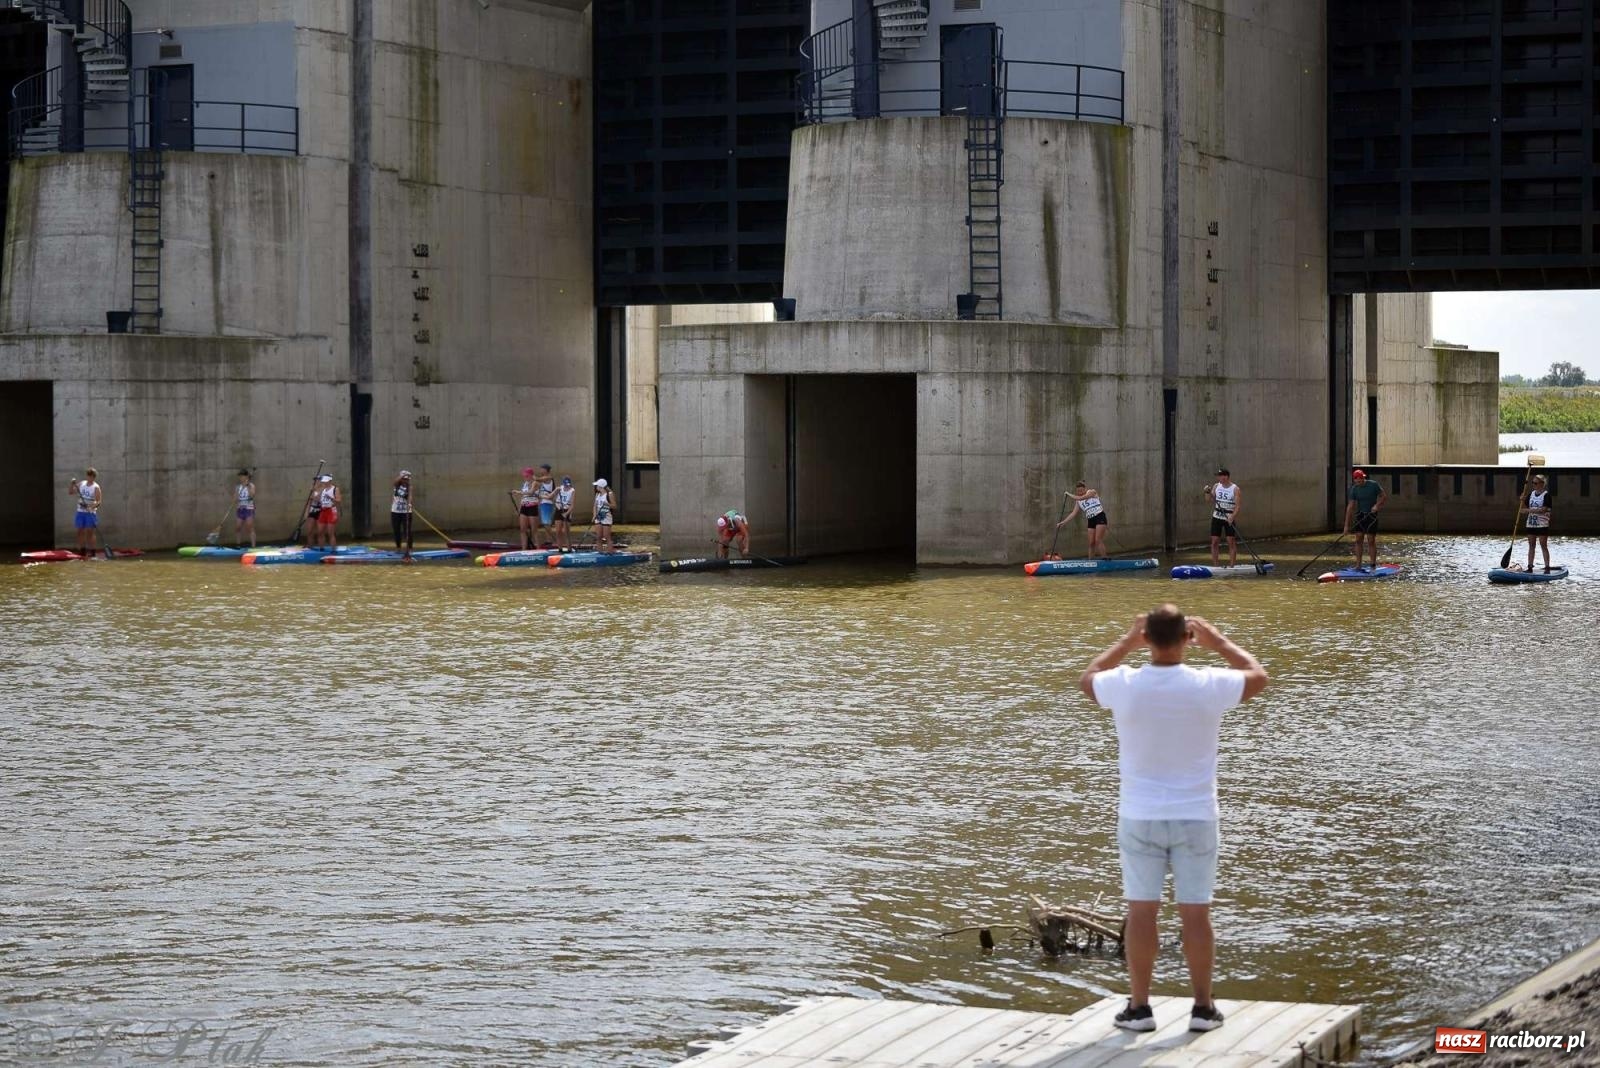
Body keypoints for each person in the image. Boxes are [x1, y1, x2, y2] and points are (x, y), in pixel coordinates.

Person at [1079, 605, 1269, 1035]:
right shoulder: (1209, 684)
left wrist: (1126, 642)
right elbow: (1258, 675)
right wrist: (1219, 642)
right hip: (1196, 815)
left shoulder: (1124, 684)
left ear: (1147, 638)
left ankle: (1139, 1009)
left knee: (1141, 911)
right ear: (1188, 638)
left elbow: (1088, 678)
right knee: (1196, 913)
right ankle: (1202, 1008)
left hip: (1140, 814)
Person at [1341, 468, 1386, 572]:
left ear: (1363, 478)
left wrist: (1377, 505)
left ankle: (1372, 565)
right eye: (1357, 480)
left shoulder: (1373, 485)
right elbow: (1350, 507)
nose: (1359, 481)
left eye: (1360, 479)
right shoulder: (1354, 489)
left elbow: (1383, 496)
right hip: (1360, 516)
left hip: (1371, 516)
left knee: (1371, 540)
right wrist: (1346, 526)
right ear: (1354, 480)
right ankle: (1358, 565)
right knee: (1358, 539)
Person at [1056, 482, 1109, 560]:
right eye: (1078, 491)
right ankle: (1090, 561)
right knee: (1091, 542)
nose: (1080, 492)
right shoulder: (1078, 501)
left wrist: (1068, 494)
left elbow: (1081, 498)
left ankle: (1105, 559)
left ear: (1085, 489)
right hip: (1090, 520)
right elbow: (1073, 513)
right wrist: (1063, 522)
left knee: (1098, 540)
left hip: (1099, 517)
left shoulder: (1091, 492)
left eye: (1081, 490)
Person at [1203, 469, 1240, 567]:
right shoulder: (1216, 486)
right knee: (1214, 542)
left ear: (1226, 476)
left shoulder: (1235, 489)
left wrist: (1232, 516)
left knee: (1230, 541)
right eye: (1218, 476)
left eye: (1220, 476)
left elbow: (1237, 506)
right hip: (1217, 517)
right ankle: (1216, 566)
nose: (1218, 478)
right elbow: (1208, 500)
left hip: (1228, 518)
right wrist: (1207, 492)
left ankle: (1232, 566)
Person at [1520, 473, 1553, 573]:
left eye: (1536, 483)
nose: (1534, 485)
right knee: (1531, 545)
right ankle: (1530, 567)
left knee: (1543, 545)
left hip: (1542, 524)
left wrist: (1528, 511)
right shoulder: (1531, 494)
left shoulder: (1546, 495)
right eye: (1533, 483)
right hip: (1531, 524)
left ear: (1542, 484)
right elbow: (1524, 507)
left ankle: (1547, 567)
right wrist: (1522, 500)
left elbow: (1543, 509)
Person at [68, 467, 102, 555]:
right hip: (80, 512)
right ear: (87, 476)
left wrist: (91, 507)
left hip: (90, 513)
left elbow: (98, 501)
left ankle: (93, 552)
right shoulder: (82, 483)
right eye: (89, 476)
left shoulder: (96, 487)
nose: (90, 478)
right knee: (80, 531)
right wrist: (72, 484)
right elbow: (71, 492)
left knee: (90, 533)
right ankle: (82, 551)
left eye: (92, 476)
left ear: (94, 477)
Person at [308, 473, 340, 549]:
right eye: (324, 481)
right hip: (323, 510)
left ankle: (333, 550)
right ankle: (321, 549)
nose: (324, 483)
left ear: (330, 481)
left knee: (330, 533)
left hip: (331, 511)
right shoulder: (323, 489)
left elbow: (338, 500)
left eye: (326, 481)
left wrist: (331, 498)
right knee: (320, 532)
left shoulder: (335, 489)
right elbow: (315, 499)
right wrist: (314, 491)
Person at [517, 467, 541, 550]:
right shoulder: (525, 484)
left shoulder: (535, 483)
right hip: (524, 507)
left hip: (532, 507)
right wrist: (520, 508)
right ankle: (524, 549)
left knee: (534, 530)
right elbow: (523, 497)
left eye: (527, 476)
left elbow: (531, 492)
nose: (525, 477)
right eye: (524, 476)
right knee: (522, 530)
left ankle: (538, 549)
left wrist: (518, 492)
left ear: (531, 475)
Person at [391, 470, 414, 552]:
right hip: (395, 511)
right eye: (404, 479)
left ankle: (410, 548)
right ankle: (398, 547)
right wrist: (403, 475)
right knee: (396, 530)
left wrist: (409, 503)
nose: (405, 481)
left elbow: (410, 496)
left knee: (407, 530)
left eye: (407, 479)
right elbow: (395, 482)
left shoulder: (409, 486)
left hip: (406, 512)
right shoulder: (397, 485)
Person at [233, 469, 257, 547]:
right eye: (239, 476)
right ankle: (238, 545)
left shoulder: (251, 485)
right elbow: (235, 499)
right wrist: (236, 497)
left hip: (249, 508)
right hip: (240, 508)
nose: (240, 478)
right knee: (238, 527)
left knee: (250, 527)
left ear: (246, 476)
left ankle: (253, 546)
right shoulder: (238, 487)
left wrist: (247, 486)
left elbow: (252, 496)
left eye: (242, 476)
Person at [592, 478, 616, 552]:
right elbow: (595, 506)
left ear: (601, 486)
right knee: (598, 537)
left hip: (606, 517)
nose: (596, 487)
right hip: (598, 516)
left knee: (606, 536)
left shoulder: (609, 494)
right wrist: (594, 515)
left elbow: (614, 506)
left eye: (597, 485)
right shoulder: (597, 494)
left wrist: (608, 504)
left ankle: (610, 552)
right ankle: (600, 552)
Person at [536, 464, 557, 548]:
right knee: (545, 523)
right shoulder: (544, 478)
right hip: (543, 503)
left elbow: (537, 479)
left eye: (542, 469)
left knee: (546, 523)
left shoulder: (549, 477)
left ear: (546, 470)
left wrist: (530, 475)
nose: (540, 470)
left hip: (547, 503)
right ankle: (548, 540)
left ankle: (551, 541)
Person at [552, 476, 576, 551]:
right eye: (565, 485)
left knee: (566, 532)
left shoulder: (572, 491)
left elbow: (572, 505)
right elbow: (551, 497)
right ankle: (560, 549)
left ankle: (569, 549)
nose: (567, 486)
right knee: (558, 531)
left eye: (568, 485)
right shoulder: (559, 489)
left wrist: (567, 513)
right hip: (559, 510)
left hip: (566, 510)